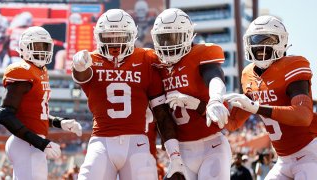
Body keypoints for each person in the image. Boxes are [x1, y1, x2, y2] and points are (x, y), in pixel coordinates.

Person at [72, 9, 177, 180]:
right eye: (109, 37)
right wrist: (78, 67)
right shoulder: (90, 61)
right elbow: (81, 77)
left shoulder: (147, 58)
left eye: (120, 37)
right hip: (102, 141)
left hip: (137, 142)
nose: (114, 44)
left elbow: (161, 108)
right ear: (98, 37)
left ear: (131, 36)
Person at [224, 15, 317, 179]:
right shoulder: (247, 75)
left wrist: (258, 107)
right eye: (255, 41)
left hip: (310, 152)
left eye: (267, 40)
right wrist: (213, 104)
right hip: (283, 160)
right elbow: (232, 123)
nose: (260, 47)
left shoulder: (293, 65)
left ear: (281, 41)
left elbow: (303, 116)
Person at [150, 8, 231, 180]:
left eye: (174, 37)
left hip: (211, 146)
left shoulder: (201, 54)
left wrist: (215, 99)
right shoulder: (155, 64)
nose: (169, 45)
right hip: (180, 152)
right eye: (163, 39)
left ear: (188, 35)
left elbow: (215, 78)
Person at [0, 26, 82, 180]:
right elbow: (5, 115)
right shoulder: (22, 70)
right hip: (27, 144)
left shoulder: (40, 71)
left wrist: (60, 123)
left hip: (28, 143)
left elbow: (36, 114)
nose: (41, 51)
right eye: (36, 46)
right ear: (24, 47)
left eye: (45, 47)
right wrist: (41, 143)